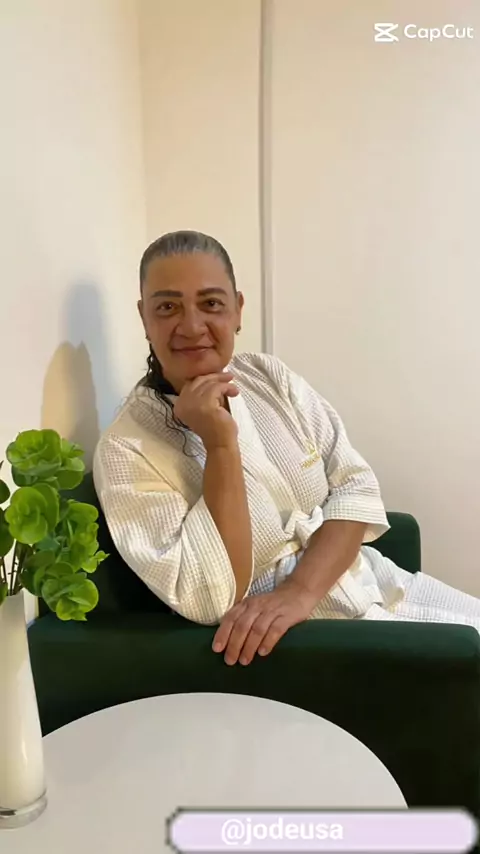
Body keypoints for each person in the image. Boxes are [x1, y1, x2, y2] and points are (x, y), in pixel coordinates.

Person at [93, 230, 480, 666]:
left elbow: (357, 487)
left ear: (238, 310)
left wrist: (300, 590)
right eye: (168, 307)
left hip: (378, 584)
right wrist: (220, 445)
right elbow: (208, 595)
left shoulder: (267, 377)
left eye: (211, 303)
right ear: (144, 318)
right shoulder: (127, 448)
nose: (192, 326)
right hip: (318, 640)